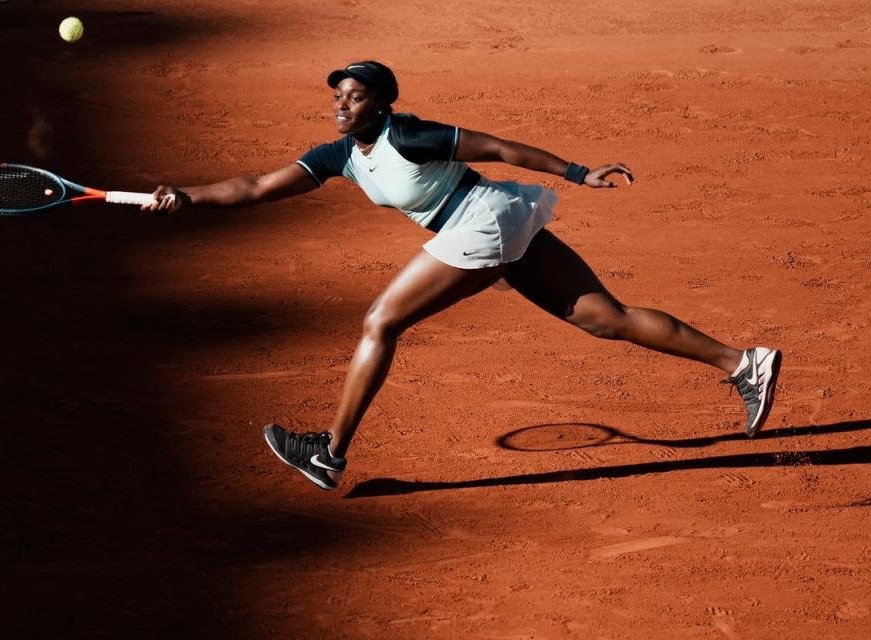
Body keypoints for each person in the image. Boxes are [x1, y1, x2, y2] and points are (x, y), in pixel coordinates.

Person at [143, 61, 782, 491]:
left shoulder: (410, 134)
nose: (341, 103)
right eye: (337, 95)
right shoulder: (339, 155)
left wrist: (577, 171)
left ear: (381, 103)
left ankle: (329, 452)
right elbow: (256, 186)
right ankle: (743, 363)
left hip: (485, 218)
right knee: (602, 317)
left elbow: (499, 149)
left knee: (380, 320)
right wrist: (189, 198)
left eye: (355, 95)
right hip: (492, 224)